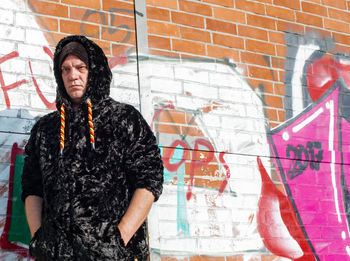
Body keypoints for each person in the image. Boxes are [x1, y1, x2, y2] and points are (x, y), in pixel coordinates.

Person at [21, 35, 164, 261]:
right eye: (65, 69)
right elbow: (31, 187)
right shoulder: (45, 129)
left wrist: (118, 241)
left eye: (80, 67)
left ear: (94, 71)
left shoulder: (123, 119)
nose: (72, 76)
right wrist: (39, 240)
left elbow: (149, 181)